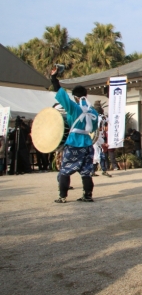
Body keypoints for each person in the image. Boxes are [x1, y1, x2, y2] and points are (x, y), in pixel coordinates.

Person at [50, 65, 98, 203]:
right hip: (87, 144)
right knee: (86, 171)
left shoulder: (74, 108)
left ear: (75, 97)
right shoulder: (93, 112)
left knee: (65, 169)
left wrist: (54, 78)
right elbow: (94, 128)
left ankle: (62, 196)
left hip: (74, 143)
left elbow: (60, 93)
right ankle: (87, 195)